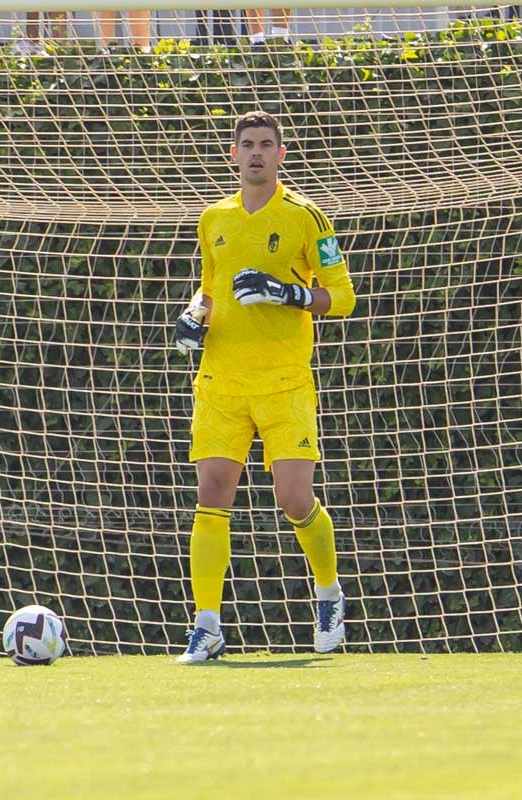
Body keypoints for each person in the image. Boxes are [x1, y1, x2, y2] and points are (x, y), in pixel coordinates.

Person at [173, 110, 356, 663]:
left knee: (294, 500)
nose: (256, 152)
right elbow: (209, 290)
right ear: (233, 154)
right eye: (247, 144)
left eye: (266, 144)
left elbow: (342, 297)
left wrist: (287, 292)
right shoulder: (214, 218)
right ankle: (206, 626)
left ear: (281, 153)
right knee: (211, 494)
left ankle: (329, 595)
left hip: (283, 382)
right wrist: (193, 316)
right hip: (221, 379)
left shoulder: (306, 217)